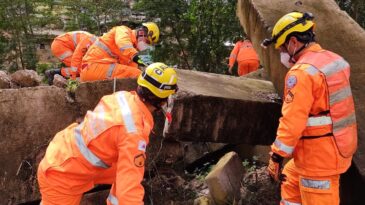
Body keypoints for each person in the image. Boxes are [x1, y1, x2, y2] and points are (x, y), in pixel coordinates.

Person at [37, 62, 178, 205]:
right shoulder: (133, 133)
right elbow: (128, 193)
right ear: (162, 101)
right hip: (62, 176)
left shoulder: (122, 97)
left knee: (129, 172)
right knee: (129, 182)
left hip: (64, 152)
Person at [261, 12, 357, 205]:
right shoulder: (335, 60)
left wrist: (276, 156)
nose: (282, 54)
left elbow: (292, 121)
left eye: (282, 48)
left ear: (293, 42)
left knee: (314, 191)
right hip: (336, 146)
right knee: (289, 177)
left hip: (319, 159)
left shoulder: (301, 73)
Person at [80, 22, 159, 82]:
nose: (146, 45)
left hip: (96, 68)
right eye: (147, 41)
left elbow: (131, 68)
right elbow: (123, 43)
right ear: (142, 33)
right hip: (93, 67)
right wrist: (136, 56)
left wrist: (148, 67)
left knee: (137, 74)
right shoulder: (123, 30)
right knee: (137, 75)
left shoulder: (132, 49)